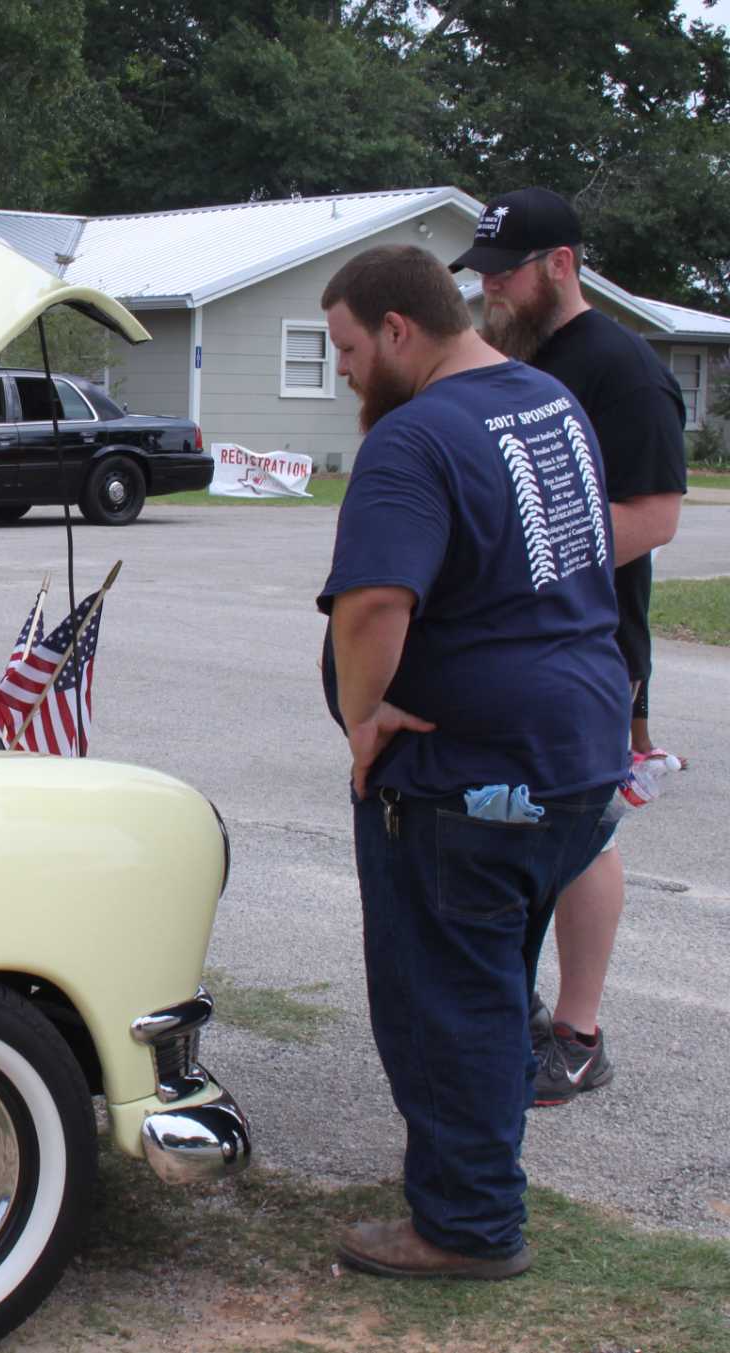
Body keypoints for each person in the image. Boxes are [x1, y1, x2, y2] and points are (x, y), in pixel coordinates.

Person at [315, 245, 628, 1281]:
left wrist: (362, 719)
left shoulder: (414, 440)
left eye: (348, 348)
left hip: (468, 784)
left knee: (442, 1003)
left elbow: (370, 606)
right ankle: (470, 1179)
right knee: (489, 991)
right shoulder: (544, 399)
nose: (345, 373)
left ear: (397, 331)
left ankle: (464, 1226)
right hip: (575, 759)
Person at [454, 188, 689, 1106]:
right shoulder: (518, 359)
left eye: (505, 272)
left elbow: (657, 513)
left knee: (585, 836)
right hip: (517, 651)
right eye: (482, 276)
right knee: (514, 824)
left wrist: (526, 560)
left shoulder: (621, 369)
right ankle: (512, 1010)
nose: (492, 290)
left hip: (592, 646)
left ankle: (579, 1035)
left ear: (562, 264)